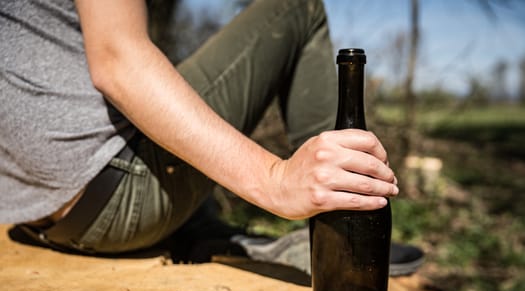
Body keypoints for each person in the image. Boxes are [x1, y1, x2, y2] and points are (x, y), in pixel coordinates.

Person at [0, 0, 422, 274]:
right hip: (114, 193)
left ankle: (203, 229)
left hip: (39, 216)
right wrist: (275, 179)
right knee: (298, 6)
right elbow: (118, 61)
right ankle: (339, 231)